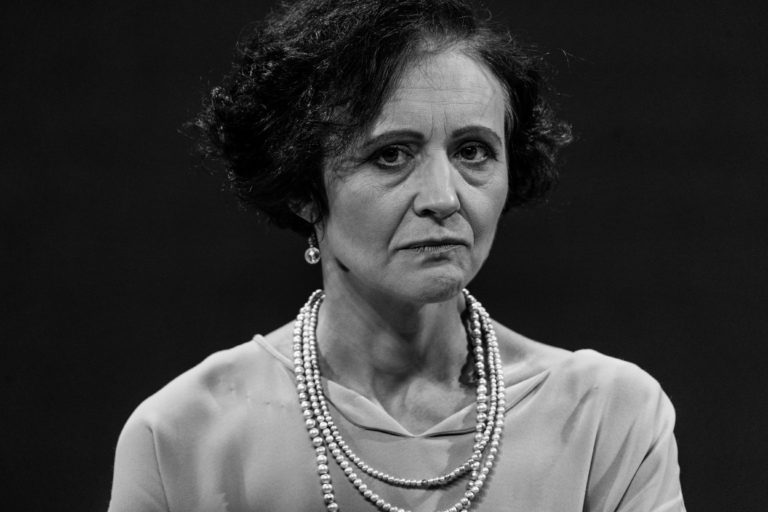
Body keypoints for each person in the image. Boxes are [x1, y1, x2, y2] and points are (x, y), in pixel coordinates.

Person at [107, 0, 685, 510]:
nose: (443, 198)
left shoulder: (606, 415)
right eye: (391, 155)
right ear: (302, 187)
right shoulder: (184, 434)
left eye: (473, 151)